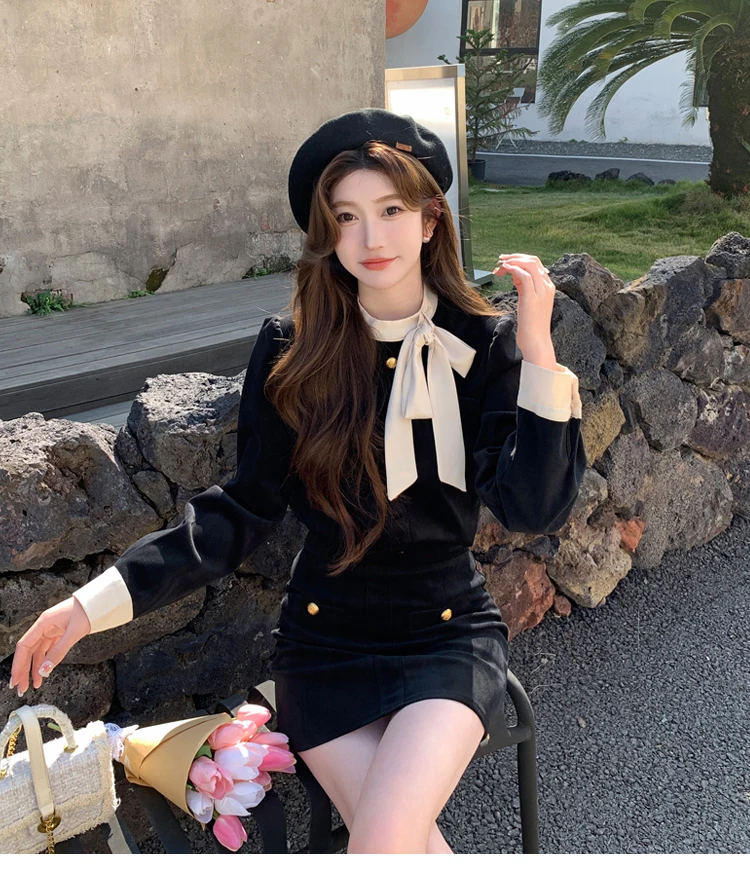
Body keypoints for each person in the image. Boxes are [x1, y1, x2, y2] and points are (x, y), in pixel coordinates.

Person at [8, 108, 587, 853]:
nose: (371, 238)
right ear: (326, 233)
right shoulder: (294, 348)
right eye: (346, 217)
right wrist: (88, 606)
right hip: (324, 647)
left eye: (391, 210)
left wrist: (538, 354)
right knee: (397, 846)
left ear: (430, 219)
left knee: (384, 841)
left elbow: (533, 507)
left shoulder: (483, 343)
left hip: (447, 635)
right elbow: (239, 511)